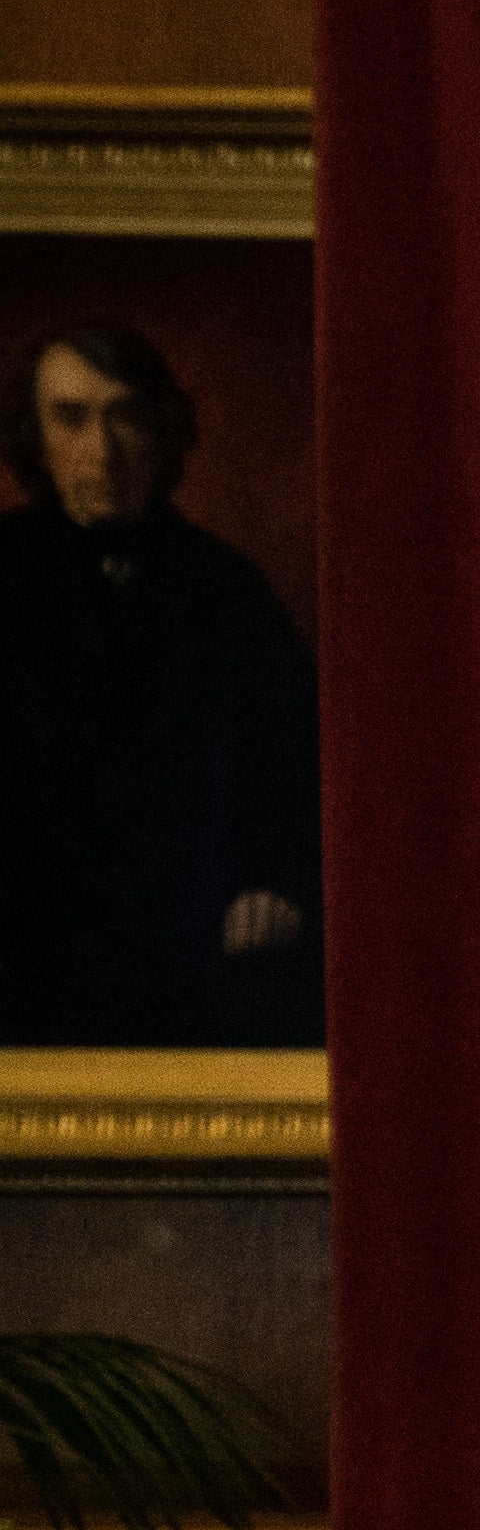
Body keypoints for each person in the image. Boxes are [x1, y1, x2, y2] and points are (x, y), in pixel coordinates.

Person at [0, 317, 323, 1046]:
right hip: (30, 935)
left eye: (126, 418)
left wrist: (276, 882)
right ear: (35, 435)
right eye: (72, 419)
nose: (102, 451)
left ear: (161, 430)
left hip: (190, 938)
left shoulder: (227, 591)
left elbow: (294, 769)